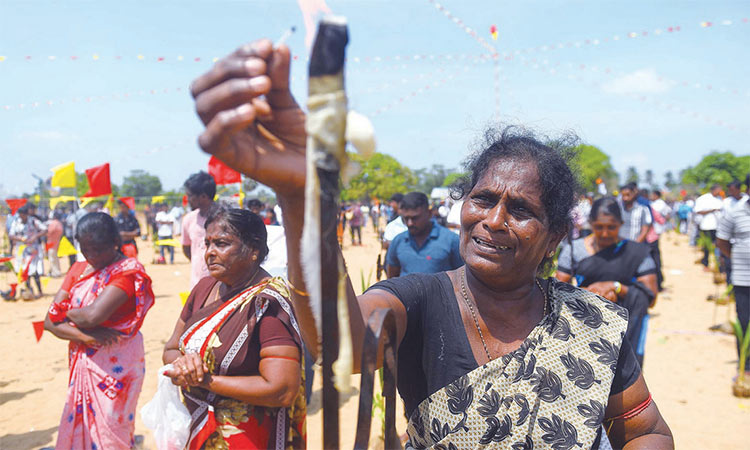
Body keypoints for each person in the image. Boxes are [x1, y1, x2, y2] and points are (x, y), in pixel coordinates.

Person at [188, 40, 673, 448]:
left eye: (521, 210)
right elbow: (338, 346)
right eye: (482, 199)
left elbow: (645, 429)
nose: (494, 220)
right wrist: (304, 199)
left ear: (554, 238)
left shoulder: (588, 320)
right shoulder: (420, 299)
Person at [162, 207, 305, 449]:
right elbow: (172, 347)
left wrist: (204, 380)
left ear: (253, 250)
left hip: (246, 437)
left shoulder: (266, 303)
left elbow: (282, 389)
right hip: (198, 430)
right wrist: (183, 364)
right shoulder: (204, 288)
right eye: (207, 244)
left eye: (221, 243)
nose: (210, 253)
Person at [43, 212, 155, 449]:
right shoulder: (79, 268)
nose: (92, 256)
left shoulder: (125, 272)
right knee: (84, 424)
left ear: (115, 243)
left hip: (118, 366)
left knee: (113, 429)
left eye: (98, 249)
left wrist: (65, 312)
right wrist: (86, 336)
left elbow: (93, 315)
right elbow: (49, 323)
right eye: (86, 249)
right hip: (85, 358)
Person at [556, 196, 659, 366]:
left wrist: (616, 287)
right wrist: (588, 294)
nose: (605, 233)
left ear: (621, 224)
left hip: (625, 330)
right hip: (582, 327)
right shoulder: (574, 249)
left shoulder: (637, 253)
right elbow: (559, 292)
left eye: (611, 227)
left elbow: (650, 298)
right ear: (591, 223)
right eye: (599, 227)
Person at [717, 175, 750, 381]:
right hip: (743, 280)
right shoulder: (735, 213)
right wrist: (739, 260)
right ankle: (746, 367)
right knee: (745, 324)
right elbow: (722, 242)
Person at [385, 191, 463, 278]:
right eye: (406, 219)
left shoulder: (451, 241)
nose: (410, 223)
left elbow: (461, 277)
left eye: (415, 218)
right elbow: (392, 277)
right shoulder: (398, 241)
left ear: (429, 214)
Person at [182, 171, 217, 288]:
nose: (188, 199)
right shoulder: (189, 219)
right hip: (197, 284)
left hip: (222, 285)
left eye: (190, 195)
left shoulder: (225, 219)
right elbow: (186, 248)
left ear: (203, 196)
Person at [9, 204, 47, 299]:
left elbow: (45, 229)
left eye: (24, 215)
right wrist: (20, 238)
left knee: (34, 271)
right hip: (22, 251)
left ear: (27, 214)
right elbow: (11, 235)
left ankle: (40, 291)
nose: (22, 217)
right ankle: (29, 291)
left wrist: (35, 237)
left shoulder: (33, 221)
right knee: (25, 271)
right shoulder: (16, 222)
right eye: (20, 215)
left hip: (33, 251)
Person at [694, 184, 724, 269]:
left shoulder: (719, 199)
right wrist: (712, 210)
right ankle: (706, 263)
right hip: (707, 226)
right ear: (714, 189)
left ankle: (718, 266)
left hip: (718, 226)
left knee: (718, 245)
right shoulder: (703, 199)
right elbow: (698, 211)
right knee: (707, 246)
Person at [46, 209, 65, 277]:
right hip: (57, 242)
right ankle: (54, 271)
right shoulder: (59, 223)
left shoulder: (53, 223)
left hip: (51, 243)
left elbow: (49, 232)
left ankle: (55, 272)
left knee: (52, 258)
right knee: (55, 258)